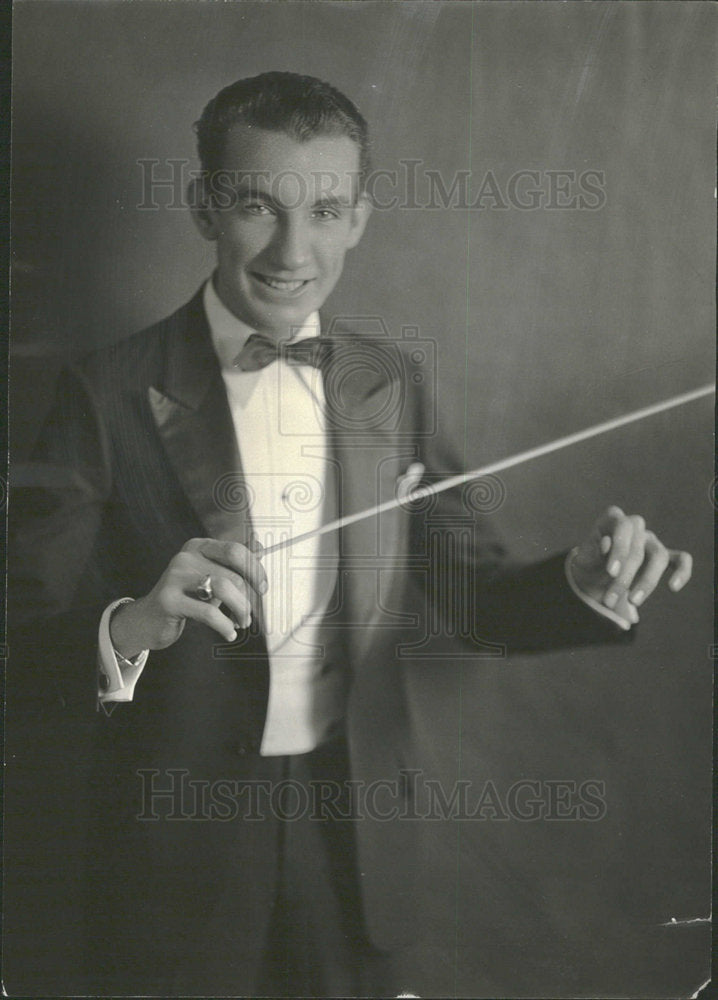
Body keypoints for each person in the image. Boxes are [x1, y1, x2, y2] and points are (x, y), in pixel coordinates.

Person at [6, 72, 693, 997]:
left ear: (361, 218)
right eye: (259, 205)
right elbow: (22, 638)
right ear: (203, 206)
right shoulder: (103, 393)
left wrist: (582, 582)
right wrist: (130, 625)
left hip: (357, 847)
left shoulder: (389, 382)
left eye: (326, 210)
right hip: (174, 860)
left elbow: (471, 597)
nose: (295, 249)